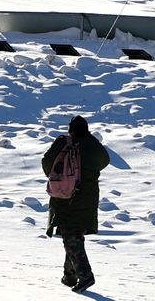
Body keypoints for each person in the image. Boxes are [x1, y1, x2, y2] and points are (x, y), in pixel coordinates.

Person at [42, 115, 111, 293]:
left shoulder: (64, 142)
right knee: (74, 235)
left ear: (70, 129)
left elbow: (46, 163)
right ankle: (70, 276)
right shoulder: (94, 145)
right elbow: (105, 161)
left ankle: (85, 275)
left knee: (70, 235)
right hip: (88, 196)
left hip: (67, 196)